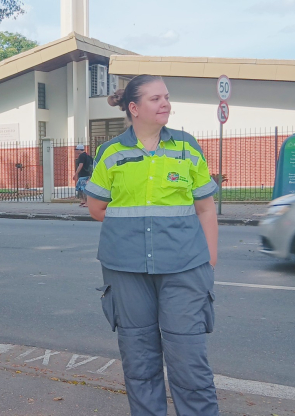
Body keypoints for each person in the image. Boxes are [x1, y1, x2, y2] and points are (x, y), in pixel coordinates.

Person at [84, 75, 220, 416]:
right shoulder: (111, 152)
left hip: (185, 267)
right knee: (139, 361)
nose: (165, 104)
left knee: (189, 361)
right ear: (134, 108)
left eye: (167, 97)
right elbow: (97, 208)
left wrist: (210, 261)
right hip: (126, 270)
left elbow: (206, 208)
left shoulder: (187, 147)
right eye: (156, 98)